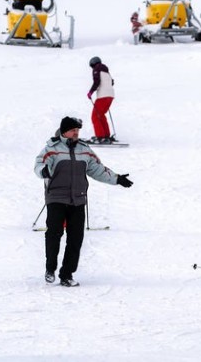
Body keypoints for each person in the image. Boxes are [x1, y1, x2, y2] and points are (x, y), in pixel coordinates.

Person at [34, 116, 133, 287]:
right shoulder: (52, 149)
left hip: (78, 199)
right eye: (73, 130)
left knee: (76, 238)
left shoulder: (84, 150)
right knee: (54, 233)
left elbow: (98, 169)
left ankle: (66, 274)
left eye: (78, 130)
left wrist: (117, 179)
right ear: (65, 131)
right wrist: (44, 171)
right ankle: (50, 269)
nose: (76, 133)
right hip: (56, 197)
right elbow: (39, 165)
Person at [87, 56, 115, 144]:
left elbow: (97, 82)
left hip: (103, 96)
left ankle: (100, 137)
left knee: (95, 116)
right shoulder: (106, 71)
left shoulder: (97, 69)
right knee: (101, 115)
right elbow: (112, 82)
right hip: (110, 96)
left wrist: (91, 92)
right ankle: (106, 135)